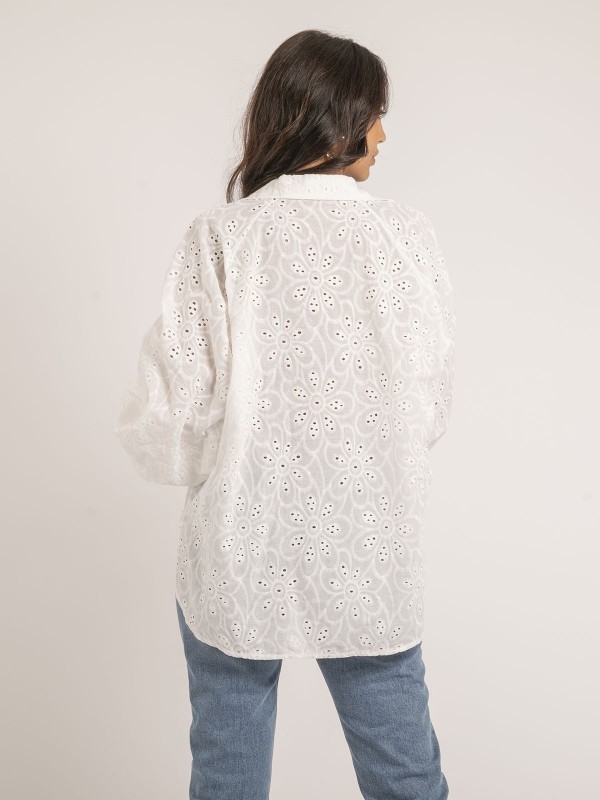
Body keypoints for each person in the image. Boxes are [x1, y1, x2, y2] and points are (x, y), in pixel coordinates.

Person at [114, 27, 455, 800]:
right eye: (374, 113)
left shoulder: (222, 238)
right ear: (335, 118)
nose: (383, 134)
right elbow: (429, 402)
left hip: (240, 541)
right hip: (368, 547)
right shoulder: (404, 237)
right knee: (405, 772)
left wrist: (247, 455)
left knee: (226, 771)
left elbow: (176, 415)